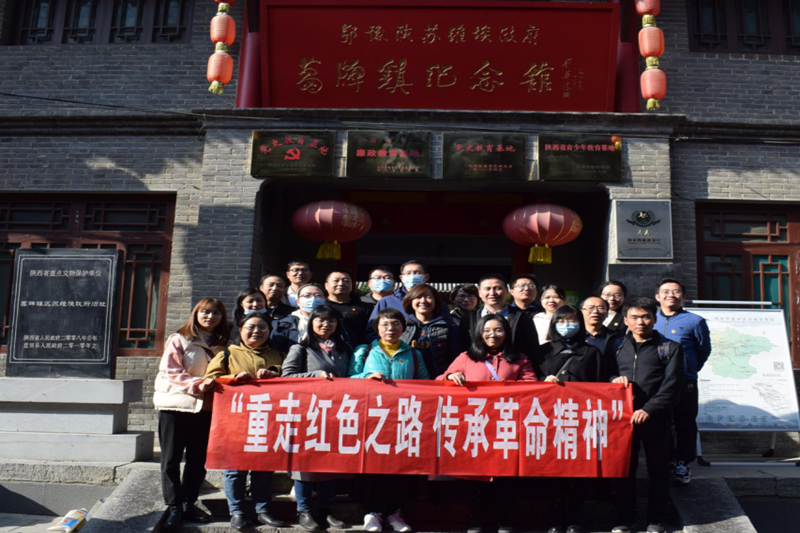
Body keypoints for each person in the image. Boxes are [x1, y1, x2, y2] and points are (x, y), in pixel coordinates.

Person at [440, 314, 535, 533]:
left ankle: (505, 522)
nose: (493, 335)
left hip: (507, 427)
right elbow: (443, 378)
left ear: (506, 333)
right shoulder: (466, 357)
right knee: (476, 477)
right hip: (477, 426)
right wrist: (450, 377)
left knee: (506, 477)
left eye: (498, 330)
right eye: (487, 330)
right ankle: (476, 521)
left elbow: (532, 385)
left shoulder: (519, 359)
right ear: (479, 334)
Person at [349, 308, 429, 533]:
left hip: (403, 418)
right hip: (371, 419)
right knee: (371, 467)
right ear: (377, 328)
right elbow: (348, 378)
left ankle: (395, 512)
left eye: (395, 324)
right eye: (385, 324)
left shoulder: (414, 354)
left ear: (403, 328)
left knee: (400, 467)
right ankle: (371, 512)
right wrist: (367, 377)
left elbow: (425, 383)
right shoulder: (364, 351)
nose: (390, 329)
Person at [154, 298, 230, 532]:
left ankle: (189, 503)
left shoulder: (223, 345)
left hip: (206, 408)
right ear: (195, 314)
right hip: (176, 405)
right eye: (205, 312)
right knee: (171, 459)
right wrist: (199, 384)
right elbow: (171, 371)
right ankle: (174, 505)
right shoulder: (180, 339)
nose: (210, 317)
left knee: (197, 460)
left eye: (216, 313)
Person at [205, 314, 285, 531]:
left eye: (262, 327)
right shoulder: (227, 354)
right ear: (240, 330)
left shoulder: (278, 355)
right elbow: (209, 380)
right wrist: (233, 378)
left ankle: (262, 510)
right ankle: (237, 511)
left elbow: (291, 379)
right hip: (235, 421)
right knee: (235, 469)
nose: (256, 331)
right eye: (251, 327)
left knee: (264, 468)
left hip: (267, 420)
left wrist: (274, 373)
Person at [610, 298, 683, 533]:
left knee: (658, 470)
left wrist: (649, 409)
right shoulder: (616, 345)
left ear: (654, 318)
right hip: (622, 419)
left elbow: (672, 386)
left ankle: (657, 519)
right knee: (624, 470)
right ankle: (625, 519)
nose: (640, 322)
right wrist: (613, 379)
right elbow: (605, 373)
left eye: (645, 317)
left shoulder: (669, 348)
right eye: (634, 317)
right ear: (626, 320)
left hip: (656, 418)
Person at [534, 305, 608, 533]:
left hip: (581, 421)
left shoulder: (591, 352)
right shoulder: (543, 351)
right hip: (550, 420)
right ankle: (555, 521)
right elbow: (530, 381)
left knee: (579, 471)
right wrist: (543, 382)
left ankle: (575, 520)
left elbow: (601, 385)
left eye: (572, 321)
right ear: (554, 324)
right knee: (552, 471)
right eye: (562, 321)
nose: (567, 325)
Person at [282, 306, 352, 531]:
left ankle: (326, 509)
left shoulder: (344, 349)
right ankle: (304, 510)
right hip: (308, 413)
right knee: (304, 464)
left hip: (336, 413)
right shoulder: (300, 348)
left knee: (332, 462)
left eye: (331, 321)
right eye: (320, 320)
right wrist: (315, 375)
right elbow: (286, 377)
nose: (326, 325)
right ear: (311, 322)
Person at [654, 278, 711, 486]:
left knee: (685, 423)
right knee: (661, 423)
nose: (671, 295)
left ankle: (683, 463)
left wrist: (689, 369)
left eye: (676, 291)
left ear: (684, 297)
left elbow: (703, 350)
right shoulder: (649, 319)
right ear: (657, 297)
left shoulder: (695, 321)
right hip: (656, 382)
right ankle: (667, 459)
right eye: (666, 291)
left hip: (684, 382)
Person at [460, 273, 539, 359]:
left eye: (497, 288)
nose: (492, 293)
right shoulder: (469, 319)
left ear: (507, 291)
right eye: (487, 289)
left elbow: (532, 346)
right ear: (479, 293)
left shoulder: (522, 317)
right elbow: (463, 346)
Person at [366, 260, 450, 337]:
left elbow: (450, 330)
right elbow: (372, 330)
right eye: (408, 273)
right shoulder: (387, 302)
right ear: (401, 278)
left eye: (417, 273)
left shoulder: (437, 303)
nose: (412, 277)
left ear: (426, 277)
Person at [400, 283, 462, 376]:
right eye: (418, 297)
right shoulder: (403, 325)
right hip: (408, 378)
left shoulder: (448, 326)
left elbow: (456, 356)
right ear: (410, 301)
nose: (423, 301)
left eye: (428, 297)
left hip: (438, 379)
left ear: (435, 301)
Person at [271, 283, 327, 354]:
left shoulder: (335, 322)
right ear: (298, 302)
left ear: (325, 300)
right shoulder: (284, 325)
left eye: (318, 295)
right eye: (307, 296)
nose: (313, 299)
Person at [324, 268, 372, 348]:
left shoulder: (365, 308)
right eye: (336, 281)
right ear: (326, 285)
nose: (341, 284)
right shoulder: (320, 307)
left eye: (346, 281)